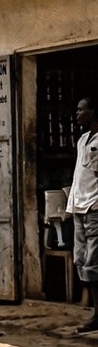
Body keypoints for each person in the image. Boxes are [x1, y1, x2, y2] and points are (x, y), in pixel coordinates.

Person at [71, 98, 98, 333]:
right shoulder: (82, 140)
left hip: (94, 207)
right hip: (79, 206)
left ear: (92, 112)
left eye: (81, 109)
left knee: (93, 262)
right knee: (81, 260)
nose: (77, 113)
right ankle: (92, 309)